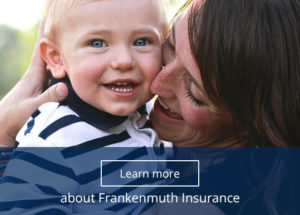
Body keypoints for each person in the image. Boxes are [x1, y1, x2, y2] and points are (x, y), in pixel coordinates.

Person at [0, 0, 299, 214]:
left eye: (194, 92)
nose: (155, 86)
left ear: (251, 121)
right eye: (169, 46)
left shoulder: (241, 196)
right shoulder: (67, 134)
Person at [0, 0, 170, 214]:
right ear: (56, 58)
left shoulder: (148, 113)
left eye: (142, 41)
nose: (124, 61)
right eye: (98, 43)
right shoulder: (53, 142)